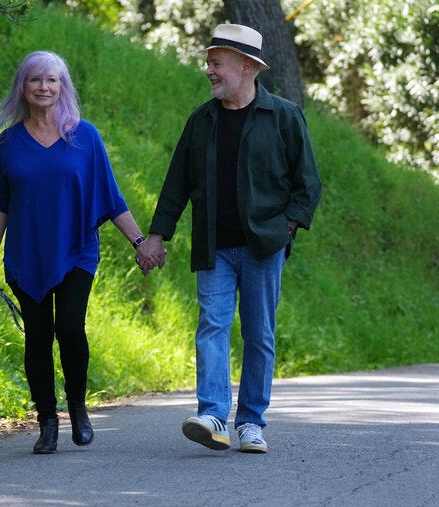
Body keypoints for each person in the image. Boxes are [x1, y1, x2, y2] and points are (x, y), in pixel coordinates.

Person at [135, 24, 322, 453]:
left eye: (216, 63)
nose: (209, 71)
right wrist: (157, 236)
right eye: (209, 63)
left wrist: (286, 228)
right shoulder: (201, 120)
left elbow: (307, 184)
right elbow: (176, 184)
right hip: (214, 245)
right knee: (212, 326)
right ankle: (214, 415)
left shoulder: (284, 116)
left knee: (258, 334)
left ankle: (252, 422)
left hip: (263, 246)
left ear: (247, 66)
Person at [0, 50, 148, 454]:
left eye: (52, 80)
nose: (44, 87)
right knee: (37, 337)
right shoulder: (9, 141)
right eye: (36, 79)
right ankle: (47, 422)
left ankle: (78, 407)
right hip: (26, 253)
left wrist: (140, 243)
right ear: (23, 86)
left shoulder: (84, 136)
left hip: (76, 250)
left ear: (63, 87)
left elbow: (111, 196)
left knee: (70, 328)